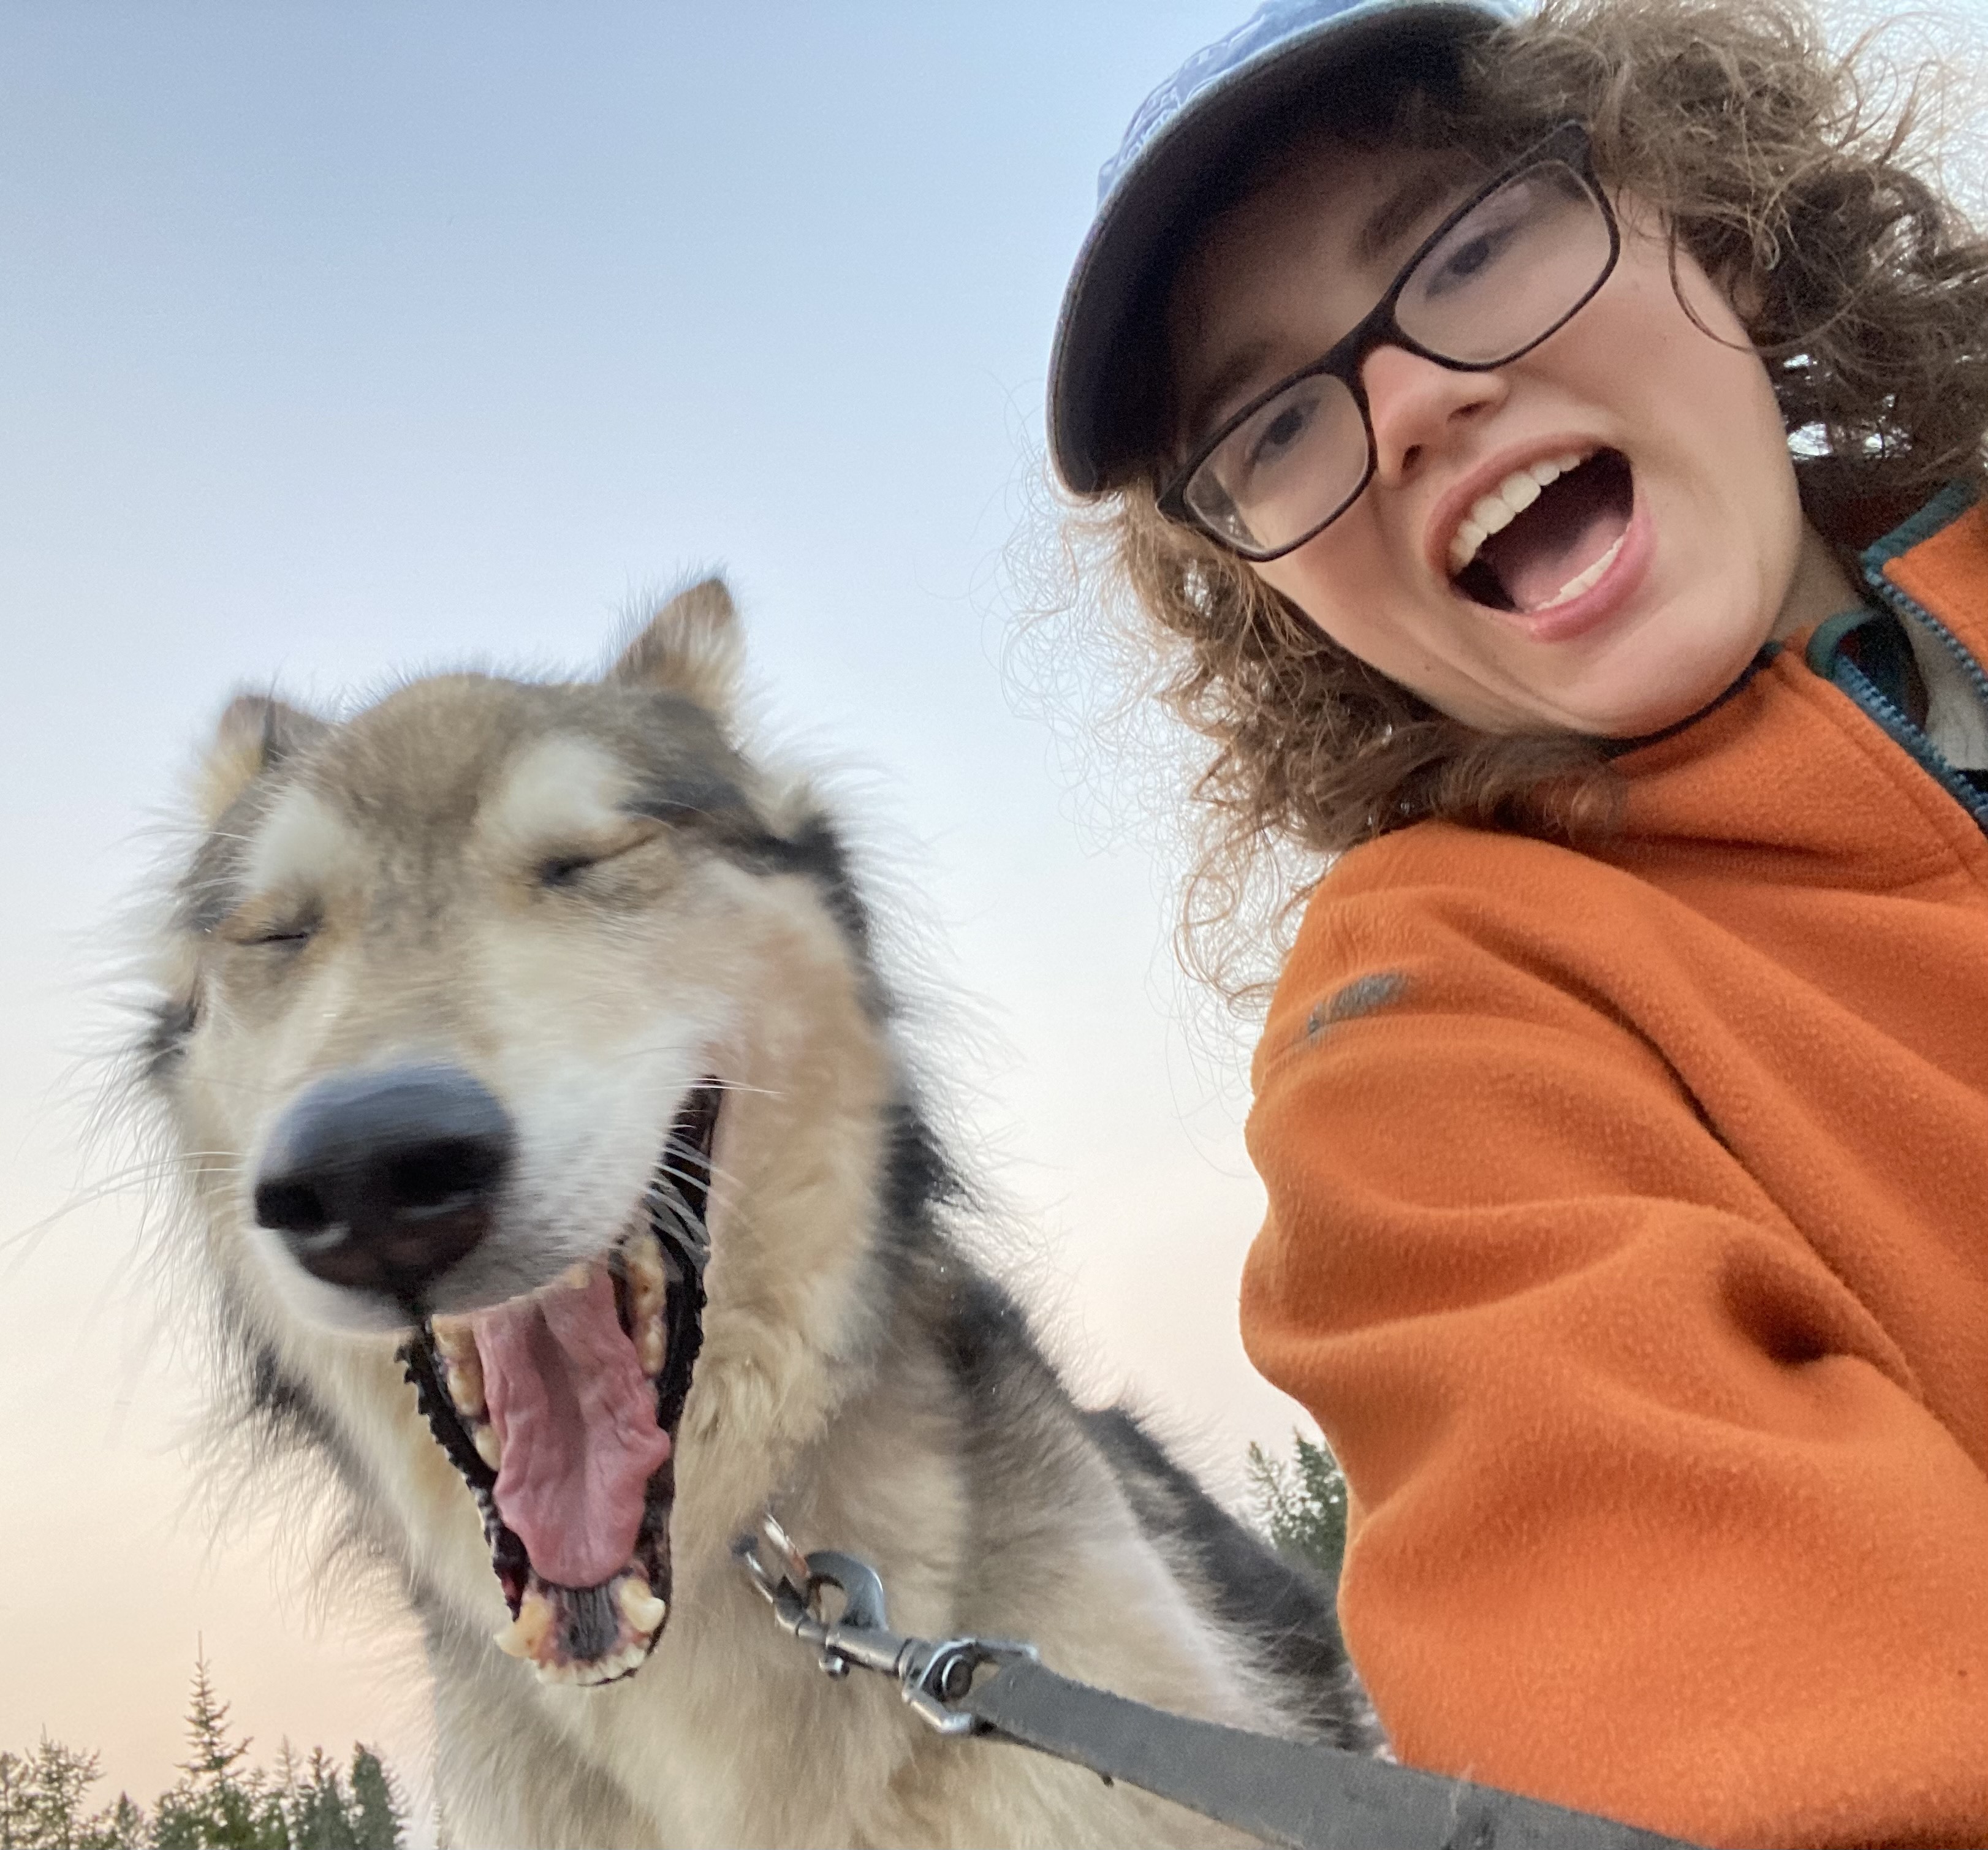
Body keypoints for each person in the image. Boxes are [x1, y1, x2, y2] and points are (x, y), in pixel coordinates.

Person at [1044, 0, 1988, 1843]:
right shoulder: (1427, 1039)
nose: (1406, 406)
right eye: (1272, 422)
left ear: (1701, 214)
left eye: (1469, 247)